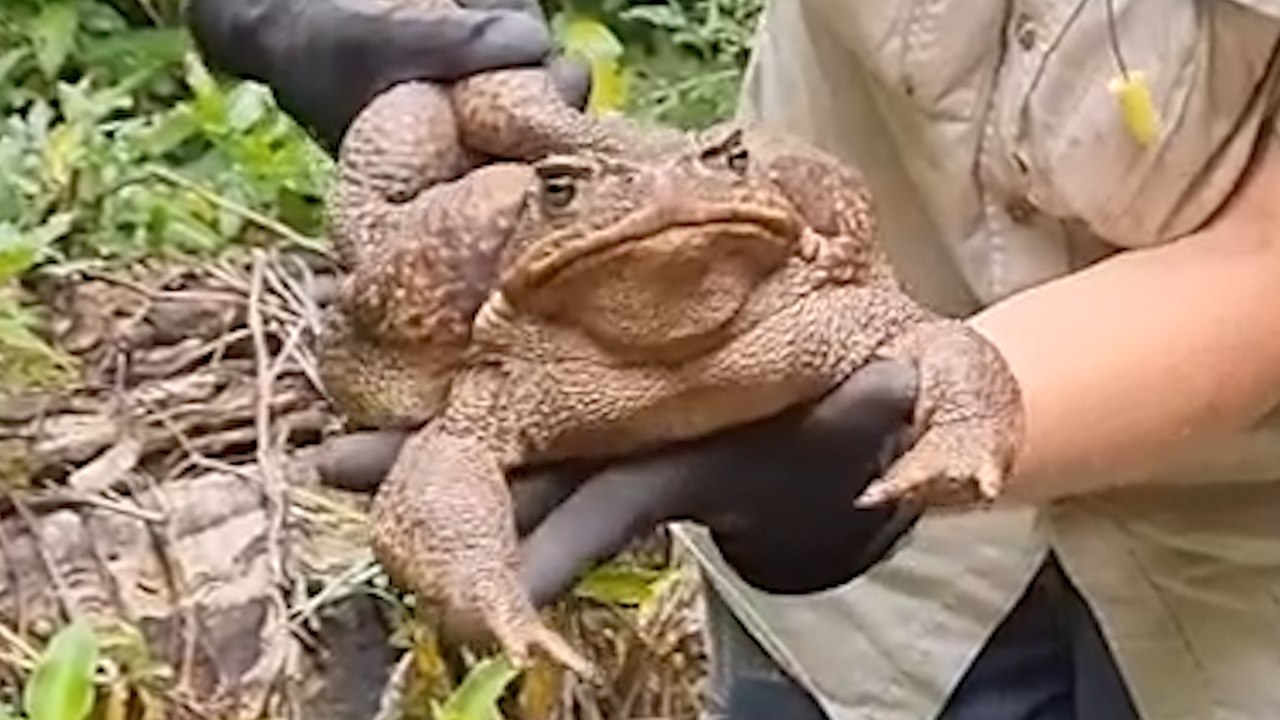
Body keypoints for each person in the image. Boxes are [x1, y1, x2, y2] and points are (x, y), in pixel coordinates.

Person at [188, 1, 1280, 718]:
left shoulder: (827, 326)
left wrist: (907, 420)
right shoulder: (524, 312)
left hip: (1227, 577)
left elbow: (946, 353)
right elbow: (449, 459)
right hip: (863, 628)